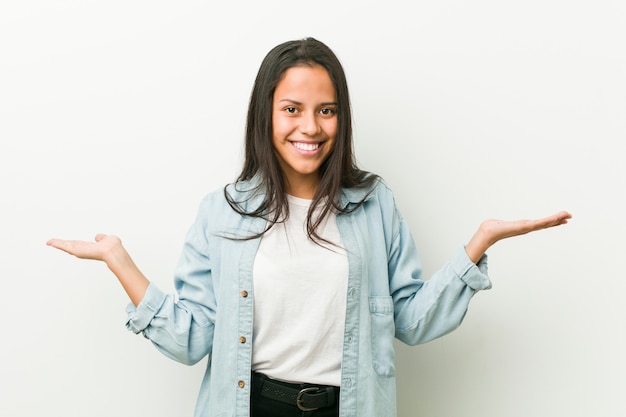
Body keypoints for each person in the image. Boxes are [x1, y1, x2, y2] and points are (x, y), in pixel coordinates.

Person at [47, 38, 572, 417]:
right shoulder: (222, 212)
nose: (310, 127)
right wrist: (121, 262)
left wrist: (478, 244)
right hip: (248, 406)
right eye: (292, 109)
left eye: (327, 110)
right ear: (266, 115)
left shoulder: (374, 203)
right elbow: (193, 341)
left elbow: (411, 321)